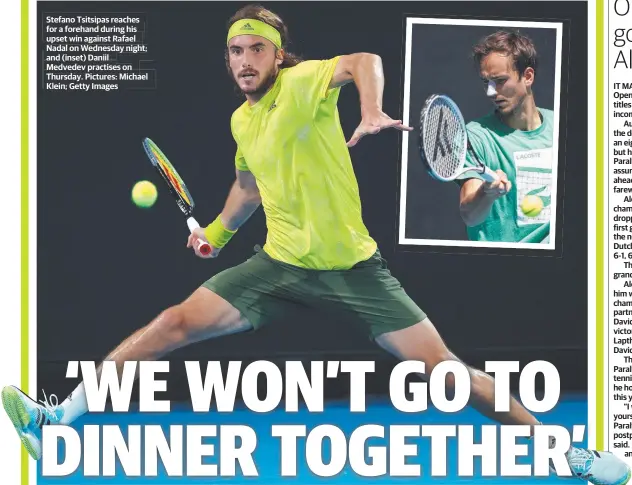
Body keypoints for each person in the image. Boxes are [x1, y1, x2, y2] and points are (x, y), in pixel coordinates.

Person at [3, 5, 627, 483]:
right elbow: (248, 184)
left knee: (448, 376)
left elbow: (362, 61)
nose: (244, 60)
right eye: (234, 52)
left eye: (256, 49)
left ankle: (567, 452)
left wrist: (374, 109)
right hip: (277, 264)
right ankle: (57, 423)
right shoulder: (241, 120)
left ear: (279, 55)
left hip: (354, 270)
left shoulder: (302, 83)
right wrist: (217, 235)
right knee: (170, 323)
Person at [458, 30, 553, 244]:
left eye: (500, 81)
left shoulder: (561, 128)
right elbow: (470, 215)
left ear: (527, 76)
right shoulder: (475, 136)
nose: (490, 92)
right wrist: (487, 193)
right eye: (485, 82)